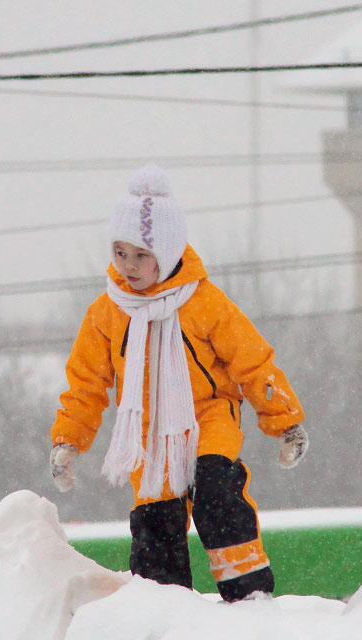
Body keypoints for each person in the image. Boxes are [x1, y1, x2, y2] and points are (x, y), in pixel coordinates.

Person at [49, 164, 308, 602]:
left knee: (216, 492)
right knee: (155, 525)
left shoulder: (204, 303)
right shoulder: (108, 313)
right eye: (120, 252)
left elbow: (253, 362)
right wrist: (68, 440)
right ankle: (164, 609)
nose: (128, 266)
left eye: (141, 255)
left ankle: (248, 595)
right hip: (148, 434)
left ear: (167, 253)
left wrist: (286, 422)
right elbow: (86, 384)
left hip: (209, 417)